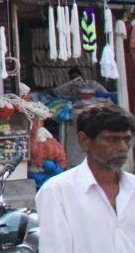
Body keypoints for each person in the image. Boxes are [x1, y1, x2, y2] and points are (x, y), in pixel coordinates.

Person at [36, 103, 135, 253]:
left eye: (126, 139)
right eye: (111, 140)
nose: (122, 147)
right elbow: (54, 247)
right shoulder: (59, 191)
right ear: (84, 141)